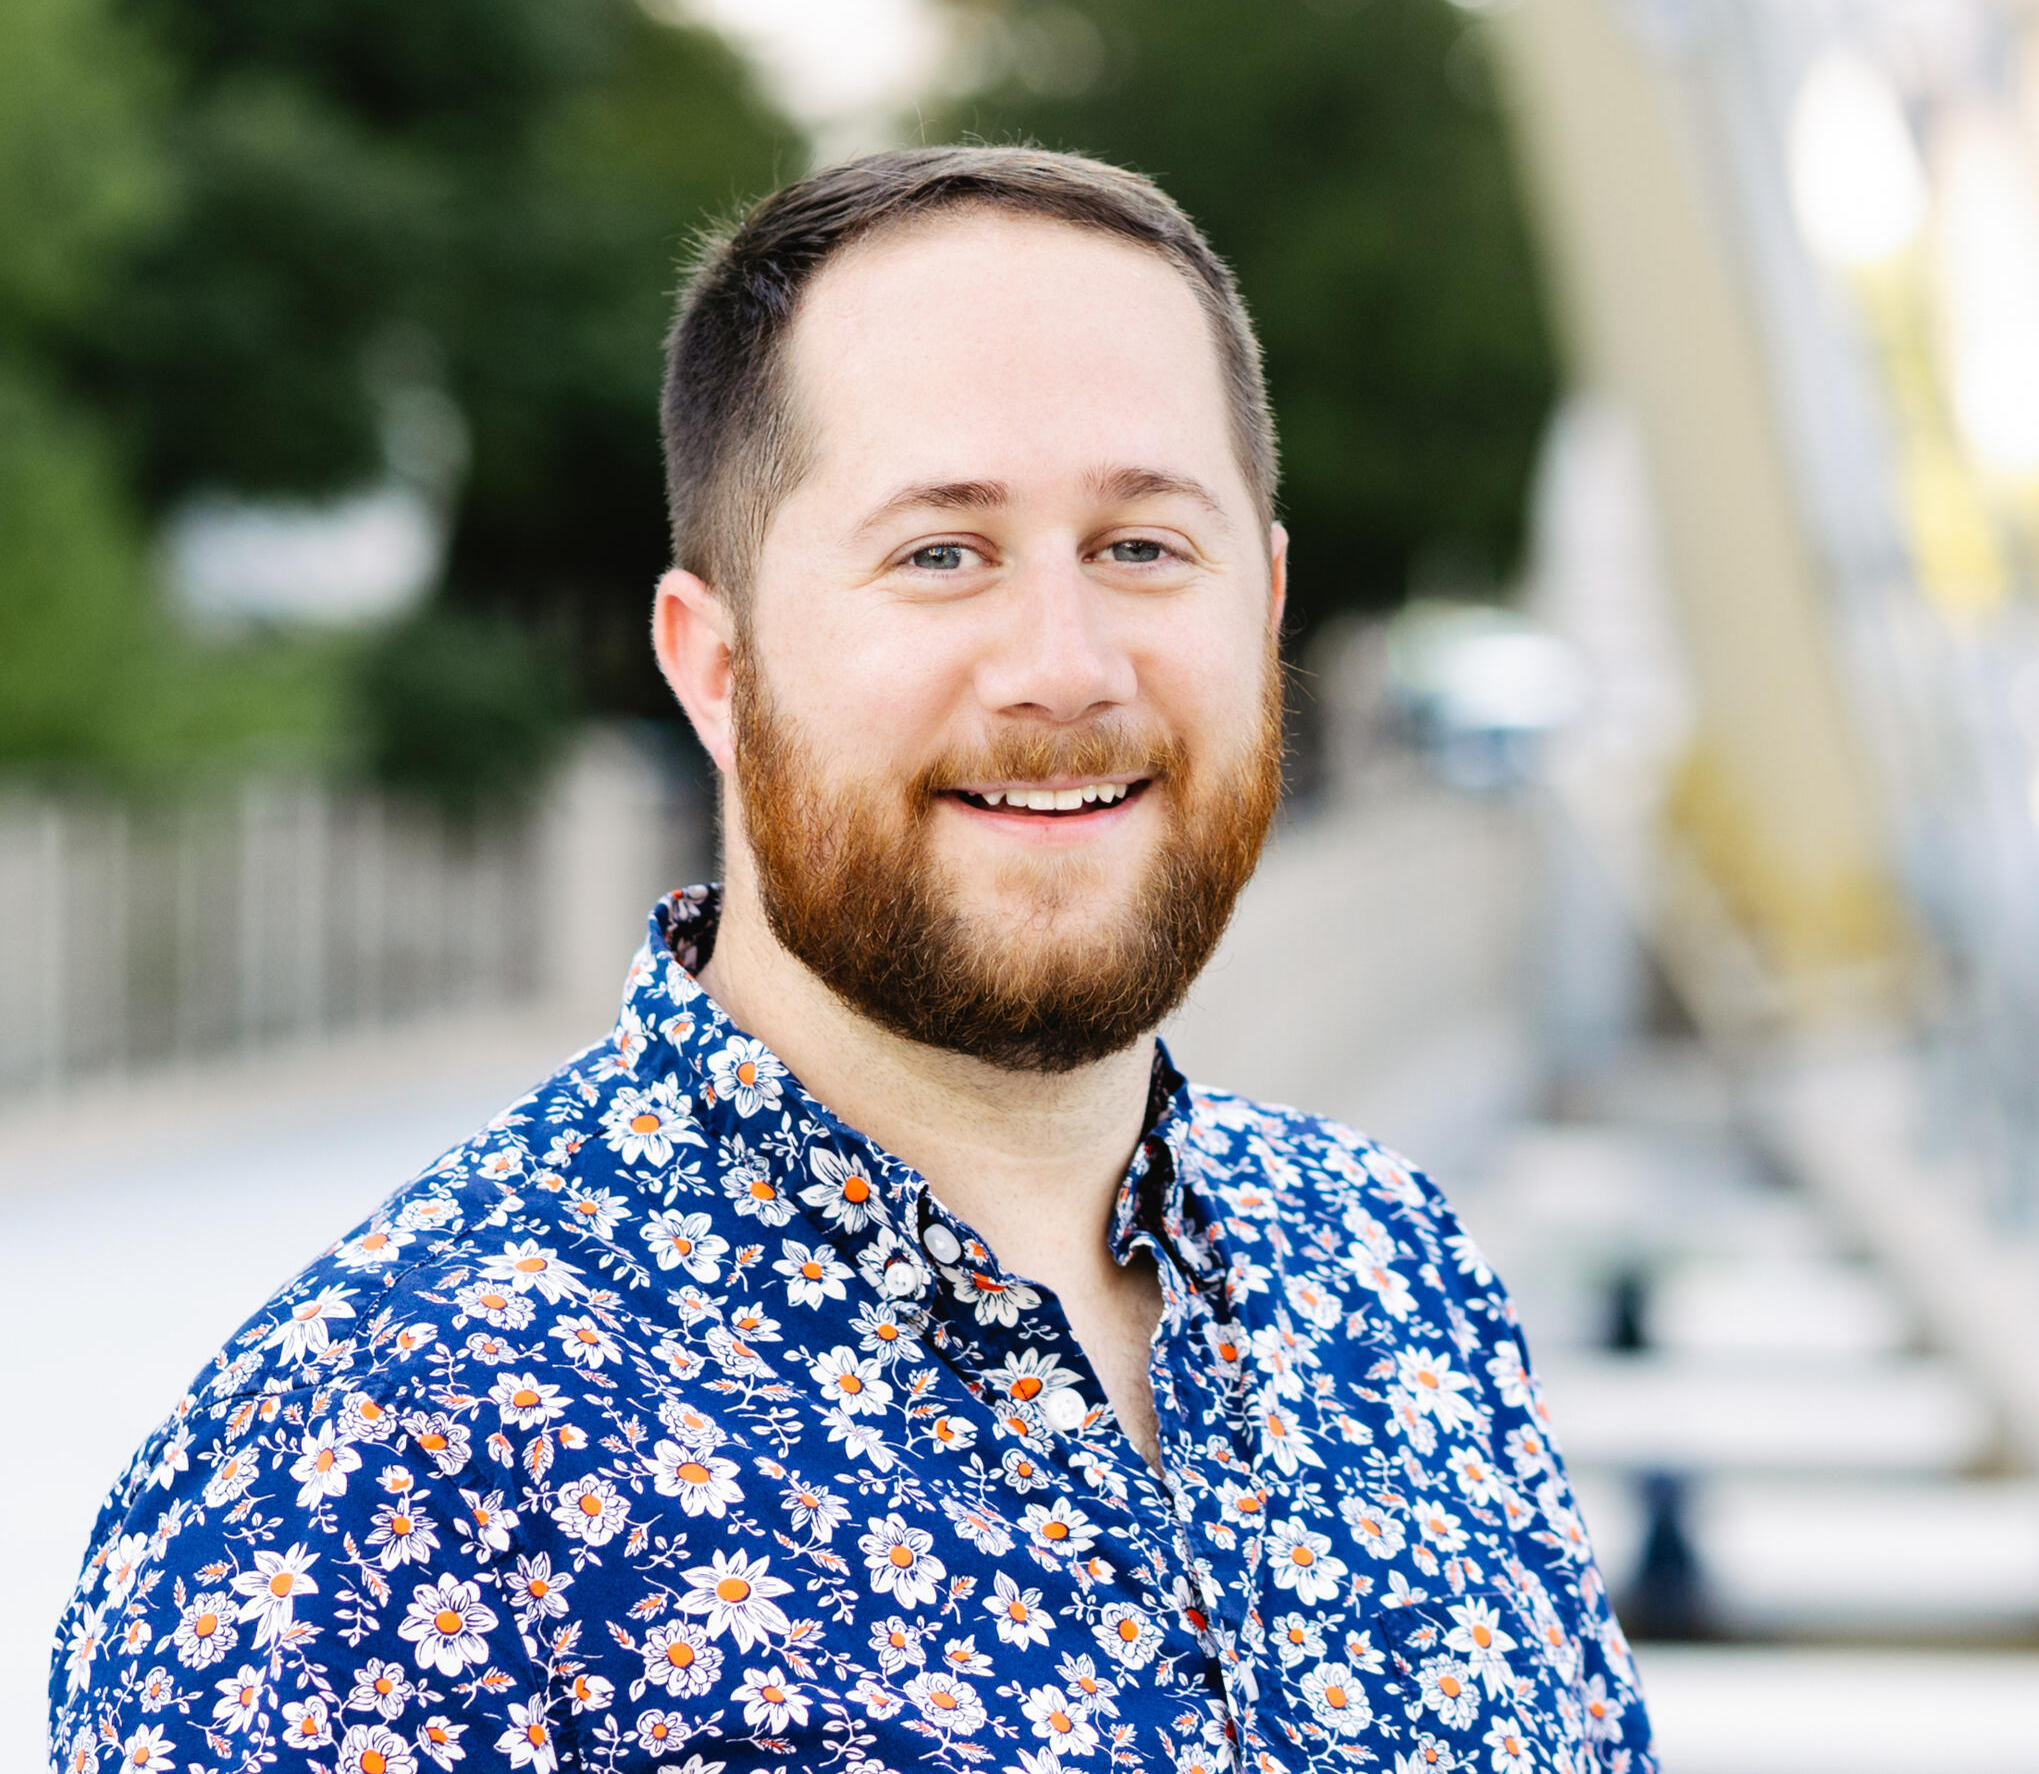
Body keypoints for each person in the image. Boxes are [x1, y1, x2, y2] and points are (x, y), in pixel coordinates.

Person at [50, 147, 1653, 1774]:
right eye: (942, 554)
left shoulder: (1393, 1275)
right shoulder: (369, 1483)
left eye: (1145, 547)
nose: (1065, 669)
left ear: (1270, 601)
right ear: (716, 667)